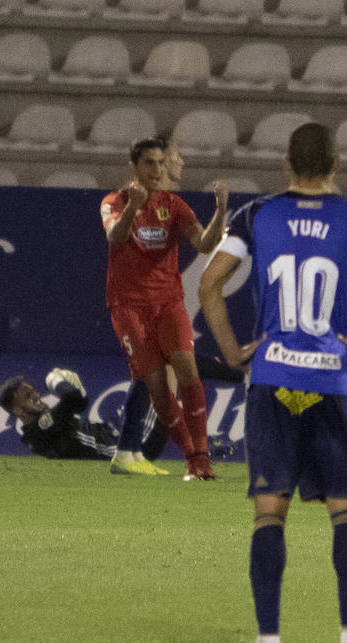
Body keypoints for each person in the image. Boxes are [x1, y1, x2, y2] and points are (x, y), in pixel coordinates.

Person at [200, 121, 347, 643]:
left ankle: (268, 641)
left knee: (269, 513)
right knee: (346, 514)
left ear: (285, 165)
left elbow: (209, 283)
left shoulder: (255, 215)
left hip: (274, 378)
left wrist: (232, 352)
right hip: (336, 380)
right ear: (337, 166)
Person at [109, 135, 240, 476]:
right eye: (149, 163)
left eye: (160, 163)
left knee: (188, 371)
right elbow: (115, 237)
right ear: (134, 167)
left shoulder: (175, 206)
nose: (156, 169)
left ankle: (200, 459)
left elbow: (203, 243)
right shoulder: (115, 202)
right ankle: (190, 457)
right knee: (157, 389)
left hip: (168, 303)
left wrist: (221, 211)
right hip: (129, 308)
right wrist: (135, 208)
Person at [0, 369, 167, 463]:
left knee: (151, 371)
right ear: (19, 412)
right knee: (160, 374)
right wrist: (54, 380)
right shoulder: (40, 430)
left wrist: (78, 392)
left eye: (33, 391)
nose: (36, 396)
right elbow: (74, 400)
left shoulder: (40, 430)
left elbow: (79, 404)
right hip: (131, 448)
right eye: (28, 397)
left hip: (119, 434)